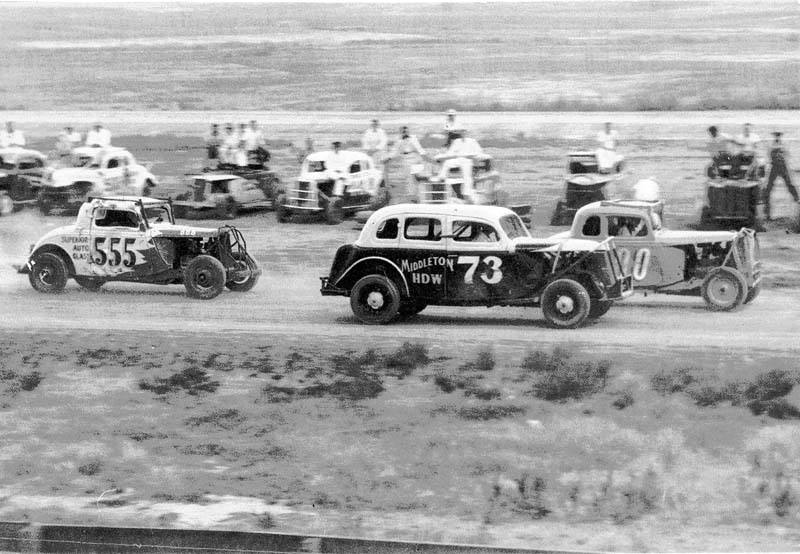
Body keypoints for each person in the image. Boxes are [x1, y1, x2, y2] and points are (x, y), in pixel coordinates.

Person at [438, 130, 483, 200]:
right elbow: (451, 152)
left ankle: (467, 192)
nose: (463, 134)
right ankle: (441, 176)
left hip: (469, 160)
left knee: (466, 172)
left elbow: (479, 152)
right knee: (448, 162)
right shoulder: (457, 142)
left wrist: (470, 156)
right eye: (461, 132)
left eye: (464, 132)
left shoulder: (472, 141)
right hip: (459, 159)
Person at [764, 132, 799, 220]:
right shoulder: (772, 144)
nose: (777, 137)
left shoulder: (783, 144)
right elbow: (769, 155)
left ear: (780, 136)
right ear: (774, 136)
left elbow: (787, 154)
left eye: (778, 135)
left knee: (789, 183)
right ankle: (765, 206)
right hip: (774, 167)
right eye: (776, 135)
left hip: (782, 166)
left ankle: (797, 198)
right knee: (769, 186)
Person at [391, 126, 427, 200]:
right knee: (408, 177)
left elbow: (419, 148)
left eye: (406, 131)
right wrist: (388, 158)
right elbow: (394, 151)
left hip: (414, 157)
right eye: (403, 131)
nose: (405, 132)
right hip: (404, 159)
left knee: (416, 177)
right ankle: (411, 195)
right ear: (401, 132)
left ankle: (418, 194)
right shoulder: (398, 140)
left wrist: (425, 156)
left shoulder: (413, 138)